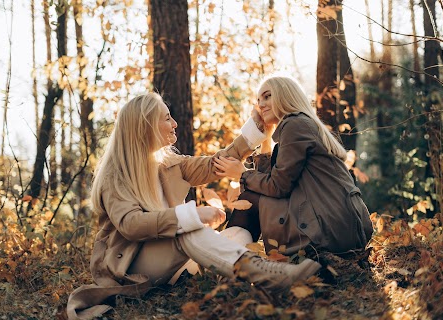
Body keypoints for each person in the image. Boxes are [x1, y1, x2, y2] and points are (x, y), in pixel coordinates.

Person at [66, 92, 321, 320]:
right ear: (146, 126)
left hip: (175, 266)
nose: (174, 124)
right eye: (167, 118)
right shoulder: (116, 174)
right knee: (189, 231)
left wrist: (254, 130)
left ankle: (241, 276)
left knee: (230, 234)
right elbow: (131, 225)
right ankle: (270, 275)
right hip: (133, 268)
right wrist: (191, 215)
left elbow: (215, 164)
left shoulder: (170, 163)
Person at [213, 76, 373, 257]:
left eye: (267, 96)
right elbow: (270, 183)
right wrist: (266, 136)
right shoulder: (301, 124)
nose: (261, 105)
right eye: (258, 101)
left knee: (249, 198)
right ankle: (226, 258)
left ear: (285, 95)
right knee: (253, 195)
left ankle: (223, 260)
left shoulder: (294, 124)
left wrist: (242, 174)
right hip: (341, 228)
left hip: (327, 228)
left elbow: (277, 186)